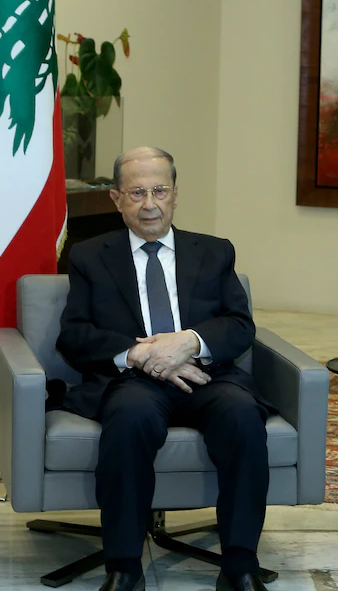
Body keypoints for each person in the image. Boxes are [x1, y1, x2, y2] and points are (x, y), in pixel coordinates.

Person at [57, 147, 271, 591]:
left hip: (206, 375)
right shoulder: (89, 256)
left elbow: (239, 325)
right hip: (134, 381)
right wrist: (139, 355)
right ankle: (124, 567)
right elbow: (74, 336)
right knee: (129, 419)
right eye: (136, 193)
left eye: (159, 190)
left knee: (242, 417)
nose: (149, 204)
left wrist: (188, 342)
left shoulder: (214, 251)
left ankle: (240, 565)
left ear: (175, 194)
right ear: (116, 199)